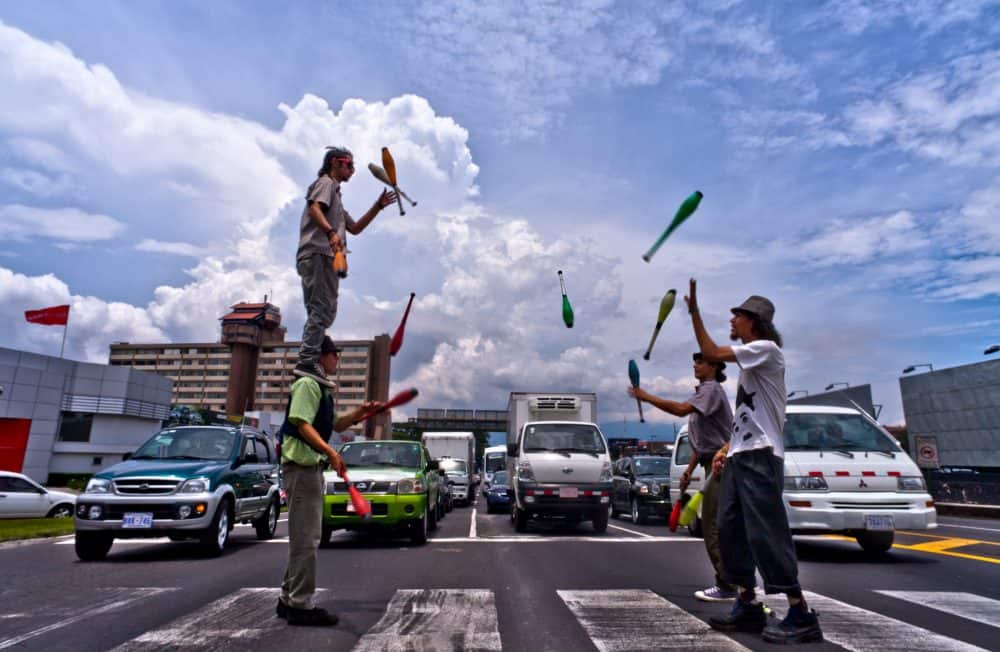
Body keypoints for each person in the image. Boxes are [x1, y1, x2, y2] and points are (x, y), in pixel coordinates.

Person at [686, 278, 823, 645]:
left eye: (738, 315)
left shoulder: (766, 350)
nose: (732, 319)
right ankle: (747, 603)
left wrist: (694, 311)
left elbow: (712, 352)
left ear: (754, 320)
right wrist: (726, 448)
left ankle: (800, 612)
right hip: (741, 455)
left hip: (762, 457)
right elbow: (750, 414)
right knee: (729, 530)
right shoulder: (751, 361)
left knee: (766, 532)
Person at [276, 335, 384, 627]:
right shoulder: (308, 385)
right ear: (322, 356)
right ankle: (300, 605)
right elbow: (300, 423)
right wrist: (330, 452)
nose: (338, 359)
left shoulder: (321, 389)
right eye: (335, 354)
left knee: (304, 537)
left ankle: (288, 598)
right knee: (306, 539)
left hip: (308, 471)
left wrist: (362, 412)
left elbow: (335, 424)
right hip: (301, 469)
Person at [628, 352, 734, 602]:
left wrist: (646, 396)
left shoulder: (711, 390)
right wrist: (688, 469)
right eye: (695, 361)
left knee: (713, 526)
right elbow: (703, 441)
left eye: (701, 361)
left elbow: (679, 410)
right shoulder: (704, 393)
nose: (695, 364)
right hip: (713, 462)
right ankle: (732, 582)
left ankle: (728, 584)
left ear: (715, 366)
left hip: (723, 464)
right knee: (714, 525)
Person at [294, 146, 397, 386]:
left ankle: (313, 359)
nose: (352, 169)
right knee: (321, 311)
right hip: (319, 253)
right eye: (348, 164)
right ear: (334, 163)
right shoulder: (326, 183)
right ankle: (307, 361)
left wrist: (378, 206)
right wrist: (330, 232)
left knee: (325, 314)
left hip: (326, 257)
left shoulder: (336, 197)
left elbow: (356, 228)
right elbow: (314, 208)